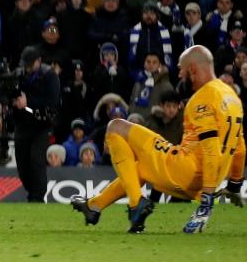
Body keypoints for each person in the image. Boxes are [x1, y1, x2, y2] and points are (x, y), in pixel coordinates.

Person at [72, 46, 245, 234]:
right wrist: (235, 184)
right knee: (137, 169)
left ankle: (136, 204)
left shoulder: (202, 98)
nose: (179, 74)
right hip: (203, 179)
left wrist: (207, 202)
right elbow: (240, 146)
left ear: (193, 70)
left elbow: (210, 150)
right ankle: (94, 206)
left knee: (116, 127)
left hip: (185, 171)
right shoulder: (232, 97)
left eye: (181, 68)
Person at [13, 46, 61, 202]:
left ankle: (38, 198)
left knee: (36, 160)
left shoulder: (50, 76)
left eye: (29, 63)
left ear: (38, 61)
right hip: (23, 124)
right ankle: (32, 193)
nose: (26, 67)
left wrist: (29, 103)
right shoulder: (19, 74)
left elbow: (52, 102)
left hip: (42, 125)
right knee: (22, 165)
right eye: (24, 63)